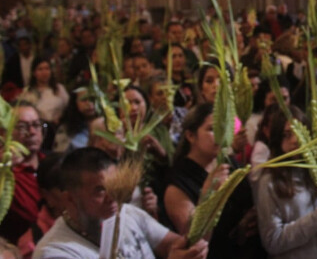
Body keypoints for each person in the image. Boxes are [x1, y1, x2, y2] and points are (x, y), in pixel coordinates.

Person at [32, 147, 208, 259]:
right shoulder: (55, 252)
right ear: (69, 198)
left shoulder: (126, 213)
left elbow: (171, 243)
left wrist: (189, 248)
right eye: (100, 190)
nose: (113, 196)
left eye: (115, 185)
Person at [163, 104, 263, 258]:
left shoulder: (228, 162)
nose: (219, 135)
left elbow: (248, 201)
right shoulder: (177, 185)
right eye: (211, 129)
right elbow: (194, 240)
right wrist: (208, 195)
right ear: (191, 136)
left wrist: (253, 217)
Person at [256, 106, 317, 258]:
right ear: (277, 140)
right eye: (287, 135)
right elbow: (272, 241)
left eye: (300, 133)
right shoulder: (269, 182)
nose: (295, 140)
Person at [0, 103, 45, 244]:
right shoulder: (5, 172)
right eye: (22, 127)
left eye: (36, 125)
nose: (32, 131)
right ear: (4, 133)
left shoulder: (53, 164)